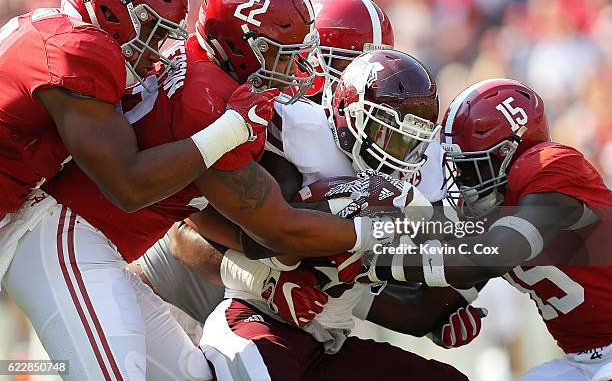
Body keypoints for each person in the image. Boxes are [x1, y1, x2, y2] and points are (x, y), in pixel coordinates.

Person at [0, 0, 411, 381]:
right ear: (239, 45)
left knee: (192, 377)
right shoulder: (212, 102)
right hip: (67, 238)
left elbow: (215, 215)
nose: (295, 67)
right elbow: (277, 228)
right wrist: (382, 229)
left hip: (97, 245)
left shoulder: (209, 79)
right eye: (279, 52)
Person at [135, 50, 470, 380]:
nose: (396, 151)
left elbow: (371, 295)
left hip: (324, 340)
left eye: (406, 141)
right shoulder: (298, 136)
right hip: (181, 300)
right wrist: (265, 281)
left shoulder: (419, 181)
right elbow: (202, 227)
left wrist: (444, 306)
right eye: (386, 133)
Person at [0, 0, 275, 229]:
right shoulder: (80, 49)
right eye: (152, 35)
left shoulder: (48, 24)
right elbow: (129, 186)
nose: (156, 53)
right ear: (109, 12)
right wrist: (233, 126)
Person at [358, 78, 612, 380]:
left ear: (506, 151)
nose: (462, 179)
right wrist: (340, 291)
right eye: (457, 165)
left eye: (470, 165)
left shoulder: (550, 165)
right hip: (583, 359)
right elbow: (421, 312)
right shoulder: (487, 210)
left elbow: (496, 254)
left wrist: (375, 262)